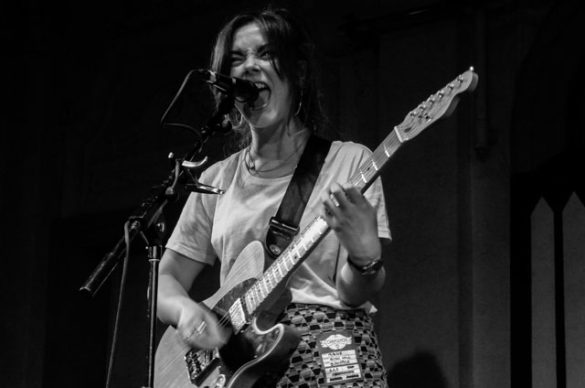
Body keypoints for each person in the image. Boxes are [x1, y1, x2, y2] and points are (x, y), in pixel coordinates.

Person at [157, 7, 391, 387]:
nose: (249, 67)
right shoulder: (216, 179)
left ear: (297, 73)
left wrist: (365, 260)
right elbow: (166, 279)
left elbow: (352, 292)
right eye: (237, 59)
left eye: (265, 54)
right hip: (243, 367)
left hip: (329, 357)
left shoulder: (348, 161)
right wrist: (185, 312)